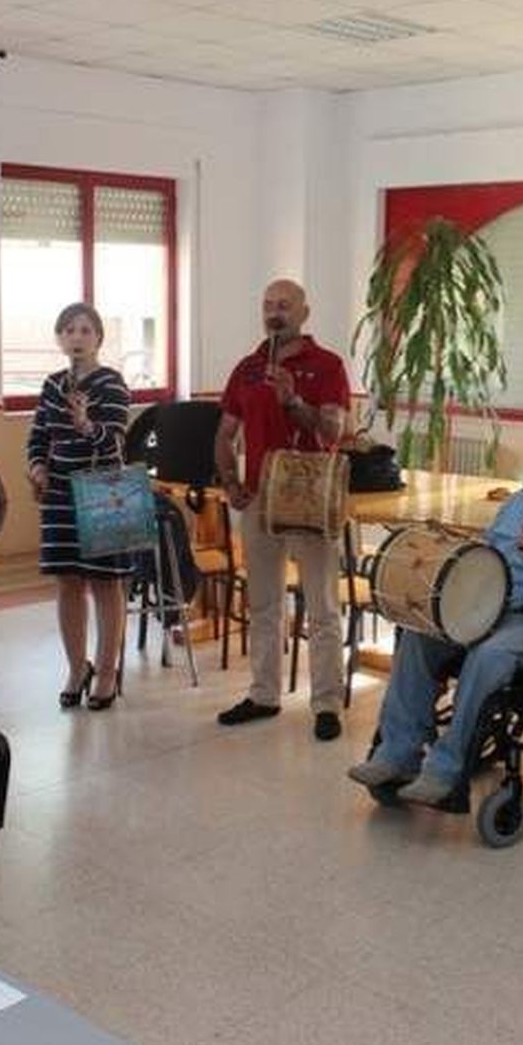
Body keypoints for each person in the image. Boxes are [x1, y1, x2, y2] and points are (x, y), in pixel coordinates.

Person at [347, 413, 523, 803]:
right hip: (486, 605)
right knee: (419, 635)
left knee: (488, 656)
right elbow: (487, 555)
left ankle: (446, 770)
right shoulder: (518, 501)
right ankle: (397, 753)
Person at [213, 279, 351, 741]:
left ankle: (327, 703)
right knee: (263, 603)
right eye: (268, 305)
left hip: (312, 498)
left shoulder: (328, 365)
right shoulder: (247, 368)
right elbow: (225, 433)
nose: (275, 313)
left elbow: (333, 432)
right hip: (259, 500)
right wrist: (230, 482)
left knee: (322, 606)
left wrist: (293, 400)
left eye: (285, 305)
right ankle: (264, 694)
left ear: (304, 313)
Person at [26, 302, 131, 711]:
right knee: (67, 581)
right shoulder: (52, 385)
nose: (77, 337)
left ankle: (106, 673)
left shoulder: (112, 383)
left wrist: (87, 424)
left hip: (105, 489)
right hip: (59, 494)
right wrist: (37, 466)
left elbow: (116, 437)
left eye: (86, 330)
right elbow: (38, 436)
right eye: (69, 330)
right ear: (59, 338)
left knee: (106, 583)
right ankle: (76, 668)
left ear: (99, 338)